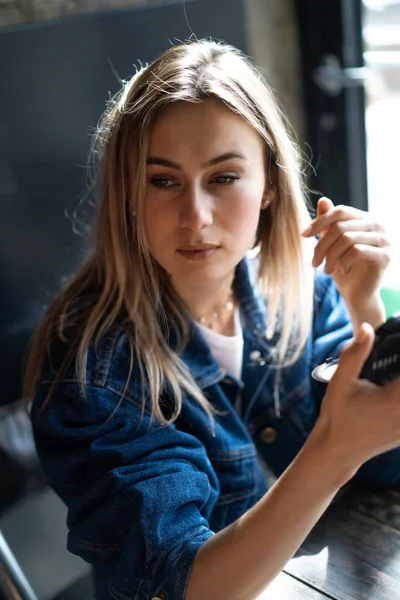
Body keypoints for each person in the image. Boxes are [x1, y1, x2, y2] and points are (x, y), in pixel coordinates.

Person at [24, 40, 400, 600]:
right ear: (128, 193)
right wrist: (333, 451)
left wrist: (366, 308)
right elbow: (184, 585)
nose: (194, 217)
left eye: (223, 178)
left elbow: (385, 471)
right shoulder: (94, 368)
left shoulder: (306, 293)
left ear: (269, 185)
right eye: (162, 181)